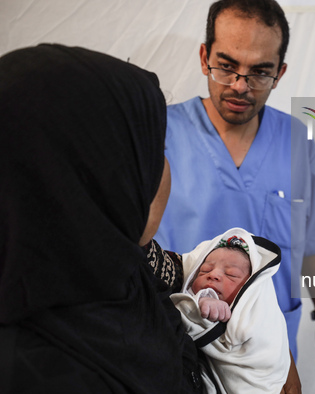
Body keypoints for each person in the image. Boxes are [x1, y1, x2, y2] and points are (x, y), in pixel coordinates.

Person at [155, 0, 315, 376]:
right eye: (226, 66)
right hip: (175, 341)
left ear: (280, 72)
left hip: (269, 349)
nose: (240, 86)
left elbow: (309, 241)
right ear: (204, 56)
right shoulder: (160, 134)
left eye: (260, 72)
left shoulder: (295, 140)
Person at [0, 44, 202, 393]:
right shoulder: (38, 373)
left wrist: (264, 341)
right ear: (95, 175)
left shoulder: (121, 265)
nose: (166, 169)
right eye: (155, 151)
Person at [172, 228, 290, 394]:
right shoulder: (202, 297)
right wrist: (202, 300)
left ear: (249, 289)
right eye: (204, 270)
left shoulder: (255, 315)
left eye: (231, 275)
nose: (213, 275)